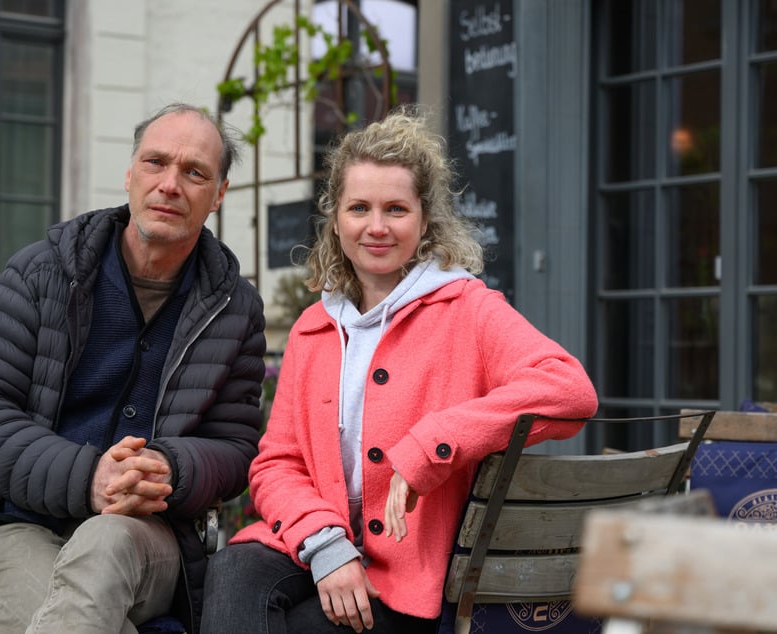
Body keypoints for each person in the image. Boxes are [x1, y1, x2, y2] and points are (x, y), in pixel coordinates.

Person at [200, 107, 598, 634]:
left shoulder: (467, 309)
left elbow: (568, 388)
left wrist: (433, 443)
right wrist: (326, 545)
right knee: (231, 569)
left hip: (410, 575)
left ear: (425, 219)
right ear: (336, 219)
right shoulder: (313, 328)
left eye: (396, 209)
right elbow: (277, 464)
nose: (377, 227)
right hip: (315, 544)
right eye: (359, 208)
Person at [0, 103, 267, 634]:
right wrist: (90, 477)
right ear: (129, 173)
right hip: (17, 525)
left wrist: (169, 467)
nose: (170, 184)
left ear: (218, 195)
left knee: (106, 540)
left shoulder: (235, 307)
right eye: (155, 163)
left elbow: (236, 449)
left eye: (194, 173)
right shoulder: (41, 272)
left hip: (146, 536)